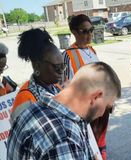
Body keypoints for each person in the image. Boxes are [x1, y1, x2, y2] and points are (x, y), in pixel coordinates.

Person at [7, 62, 121, 160]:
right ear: (96, 97)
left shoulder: (33, 110)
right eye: (107, 107)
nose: (102, 114)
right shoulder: (64, 139)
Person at [62, 14, 109, 159]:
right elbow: (66, 88)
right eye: (84, 31)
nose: (89, 35)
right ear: (74, 32)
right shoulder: (68, 55)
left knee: (100, 144)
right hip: (84, 112)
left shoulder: (91, 51)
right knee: (89, 146)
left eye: (91, 30)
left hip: (100, 108)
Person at [11, 28, 65, 121]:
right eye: (56, 67)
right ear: (37, 65)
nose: (61, 71)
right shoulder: (25, 98)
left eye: (63, 66)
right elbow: (21, 134)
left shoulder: (55, 87)